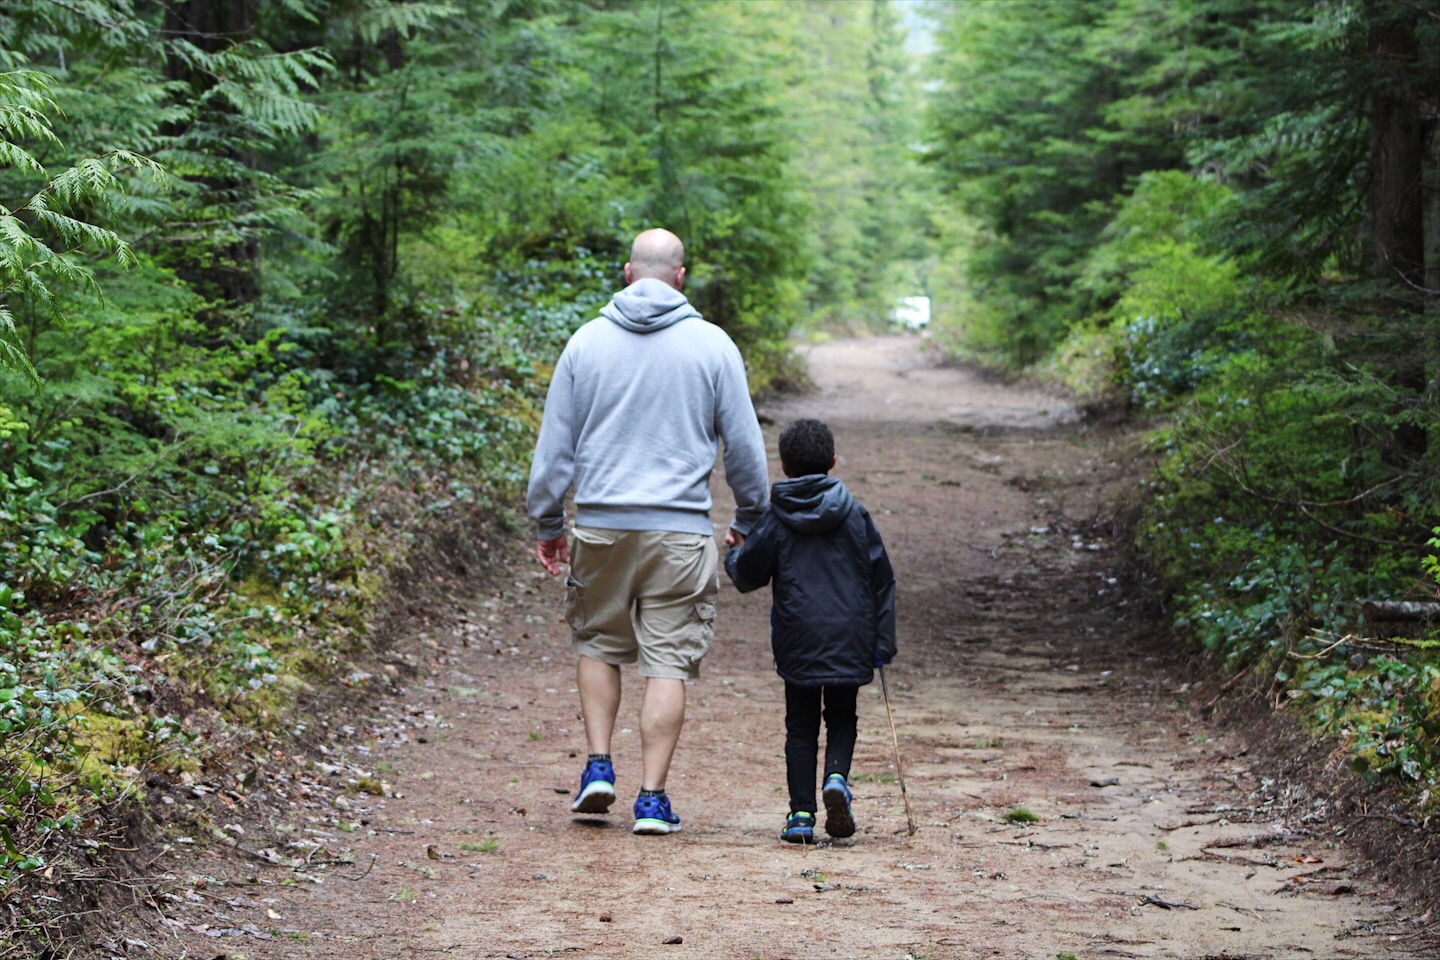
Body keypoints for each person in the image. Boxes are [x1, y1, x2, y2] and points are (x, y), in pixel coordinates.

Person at [526, 228, 769, 836]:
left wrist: (549, 522)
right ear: (681, 276)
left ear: (628, 273)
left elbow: (554, 449)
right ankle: (653, 800)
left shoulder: (585, 344)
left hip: (602, 526)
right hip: (680, 533)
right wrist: (749, 518)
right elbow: (744, 448)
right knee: (668, 662)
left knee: (598, 643)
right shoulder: (713, 346)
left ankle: (599, 766)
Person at [723, 418, 896, 844]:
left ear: (782, 466)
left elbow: (749, 576)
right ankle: (836, 777)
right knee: (842, 715)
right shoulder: (856, 515)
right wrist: (883, 642)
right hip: (850, 635)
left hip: (798, 637)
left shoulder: (775, 519)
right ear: (833, 462)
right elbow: (882, 579)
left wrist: (735, 553)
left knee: (800, 725)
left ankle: (801, 814)